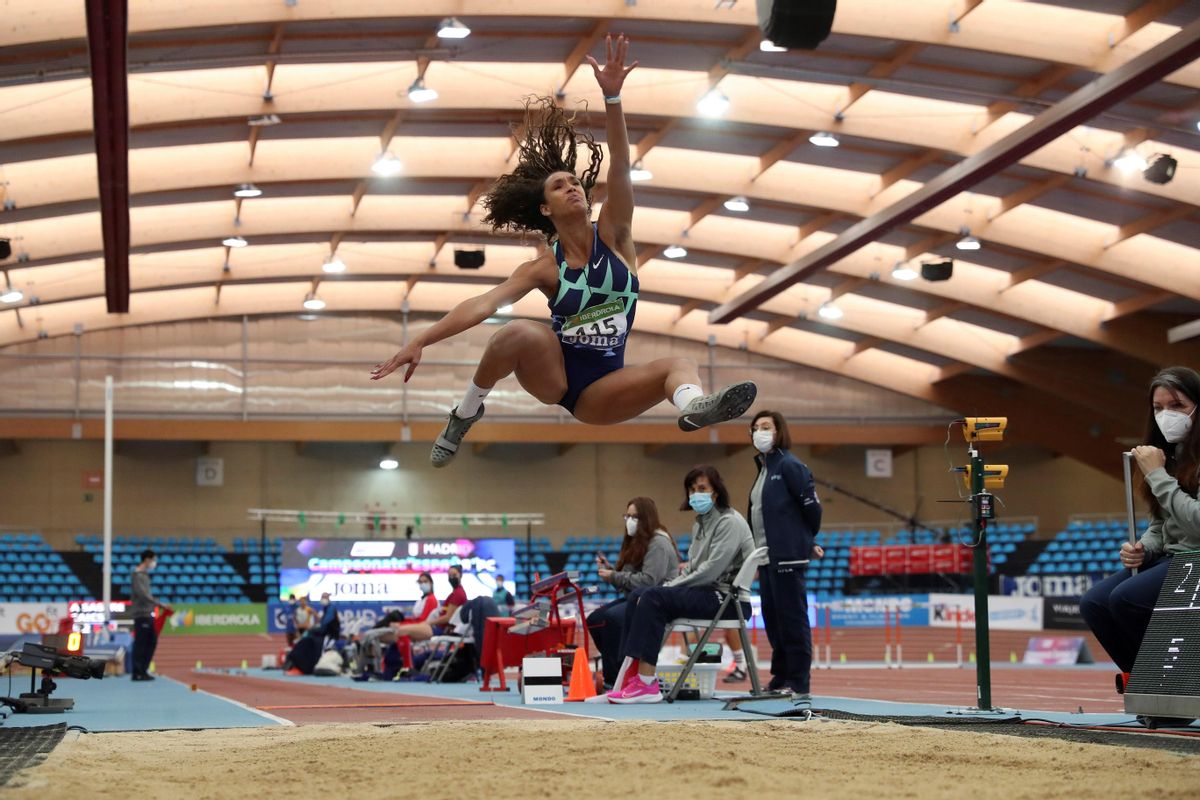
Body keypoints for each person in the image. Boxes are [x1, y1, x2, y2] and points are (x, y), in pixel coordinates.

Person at [370, 34, 756, 466]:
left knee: (680, 361)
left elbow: (623, 168)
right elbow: (482, 303)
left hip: (603, 392)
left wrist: (613, 98)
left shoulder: (615, 235)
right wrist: (421, 339)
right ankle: (465, 413)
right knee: (516, 331)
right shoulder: (544, 269)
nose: (571, 186)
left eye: (574, 181)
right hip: (557, 380)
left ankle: (694, 408)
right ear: (544, 208)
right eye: (559, 185)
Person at [1082, 366, 1200, 709]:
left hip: (1195, 557)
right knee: (1095, 602)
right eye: (1159, 408)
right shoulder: (1171, 456)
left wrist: (1158, 476)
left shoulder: (1164, 466)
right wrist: (1143, 549)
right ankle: (1154, 687)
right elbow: (1160, 525)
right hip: (1174, 557)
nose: (1166, 415)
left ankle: (1178, 680)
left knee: (1126, 598)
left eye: (1176, 405)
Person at [606, 466, 755, 704]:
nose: (696, 494)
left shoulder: (729, 522)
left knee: (654, 597)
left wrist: (670, 587)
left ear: (716, 492)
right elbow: (695, 568)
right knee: (638, 595)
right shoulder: (700, 524)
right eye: (692, 489)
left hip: (728, 600)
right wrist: (672, 585)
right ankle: (626, 677)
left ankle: (646, 684)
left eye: (702, 488)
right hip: (706, 592)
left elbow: (710, 572)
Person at [743, 410, 823, 707]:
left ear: (779, 431)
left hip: (788, 556)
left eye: (766, 427)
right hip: (766, 557)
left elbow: (812, 510)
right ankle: (782, 675)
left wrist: (804, 540)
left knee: (792, 621)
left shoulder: (789, 465)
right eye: (755, 428)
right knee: (773, 621)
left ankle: (799, 680)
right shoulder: (764, 468)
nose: (759, 432)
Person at [586, 497, 680, 688]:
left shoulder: (659, 543)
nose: (629, 520)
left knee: (612, 618)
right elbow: (630, 582)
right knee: (595, 619)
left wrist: (613, 576)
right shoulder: (638, 542)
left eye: (634, 516)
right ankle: (616, 672)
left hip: (657, 602)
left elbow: (648, 582)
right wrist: (612, 571)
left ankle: (617, 678)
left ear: (646, 518)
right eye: (627, 516)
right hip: (636, 599)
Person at [354, 572, 439, 678]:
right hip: (416, 625)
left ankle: (408, 666)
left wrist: (402, 623)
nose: (422, 584)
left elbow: (423, 620)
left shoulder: (431, 599)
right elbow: (416, 618)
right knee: (391, 623)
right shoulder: (421, 600)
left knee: (398, 626)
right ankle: (376, 666)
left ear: (431, 583)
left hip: (425, 627)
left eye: (425, 582)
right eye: (420, 582)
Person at [389, 564, 468, 645]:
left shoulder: (457, 594)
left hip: (439, 629)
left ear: (460, 575)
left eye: (454, 575)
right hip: (435, 627)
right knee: (399, 630)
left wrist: (428, 623)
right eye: (449, 575)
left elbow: (448, 617)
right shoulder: (454, 593)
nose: (451, 578)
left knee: (400, 630)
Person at [130, 549, 171, 682]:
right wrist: (159, 604)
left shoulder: (144, 575)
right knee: (141, 643)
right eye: (153, 559)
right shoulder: (138, 575)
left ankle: (142, 670)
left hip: (147, 613)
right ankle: (137, 672)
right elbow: (143, 595)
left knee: (150, 642)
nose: (154, 563)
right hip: (141, 614)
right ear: (147, 559)